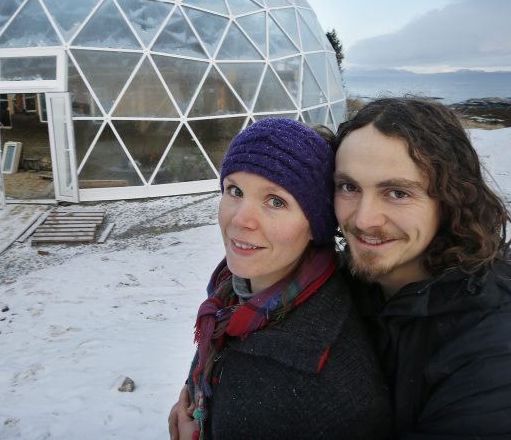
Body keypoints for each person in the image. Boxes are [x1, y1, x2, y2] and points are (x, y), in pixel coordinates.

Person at [334, 97, 511, 438]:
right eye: (349, 187)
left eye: (397, 193)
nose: (364, 219)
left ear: (451, 199)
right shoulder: (347, 290)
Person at [168, 118, 392, 440]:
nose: (241, 219)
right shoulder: (233, 297)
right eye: (235, 190)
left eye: (276, 201)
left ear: (316, 224)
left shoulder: (321, 385)